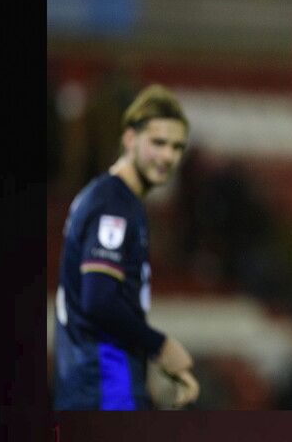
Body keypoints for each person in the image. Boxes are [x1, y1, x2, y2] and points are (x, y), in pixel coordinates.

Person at [52, 84, 200, 410]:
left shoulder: (119, 201)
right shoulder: (112, 204)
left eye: (177, 147)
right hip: (103, 386)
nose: (168, 156)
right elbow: (99, 299)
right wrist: (161, 347)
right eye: (158, 143)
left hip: (98, 383)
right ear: (130, 138)